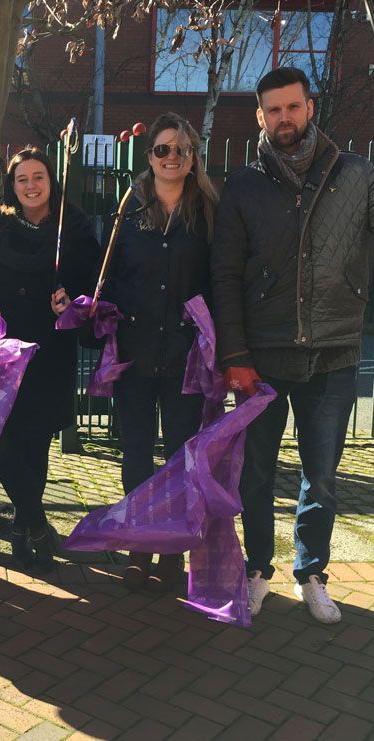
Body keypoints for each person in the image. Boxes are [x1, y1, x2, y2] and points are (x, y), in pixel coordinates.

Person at [211, 67, 374, 623]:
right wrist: (235, 357)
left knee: (320, 477)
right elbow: (224, 276)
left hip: (333, 355)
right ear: (260, 118)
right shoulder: (244, 186)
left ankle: (311, 573)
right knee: (257, 476)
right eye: (273, 110)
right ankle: (258, 568)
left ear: (310, 107)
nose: (284, 118)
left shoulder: (358, 175)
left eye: (292, 107)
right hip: (263, 360)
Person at [0, 148, 100, 572]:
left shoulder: (73, 228)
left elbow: (95, 285)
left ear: (51, 180)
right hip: (2, 351)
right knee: (0, 436)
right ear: (12, 184)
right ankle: (36, 521)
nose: (31, 186)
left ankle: (24, 532)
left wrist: (73, 302)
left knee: (37, 439)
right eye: (22, 179)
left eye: (38, 176)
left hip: (49, 351)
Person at [102, 112, 218, 592]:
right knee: (134, 452)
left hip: (185, 357)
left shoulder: (211, 213)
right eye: (162, 149)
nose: (172, 157)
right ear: (149, 157)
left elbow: (221, 283)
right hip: (134, 351)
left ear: (193, 158)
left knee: (179, 455)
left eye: (182, 149)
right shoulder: (128, 211)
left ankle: (173, 549)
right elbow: (107, 277)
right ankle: (138, 544)